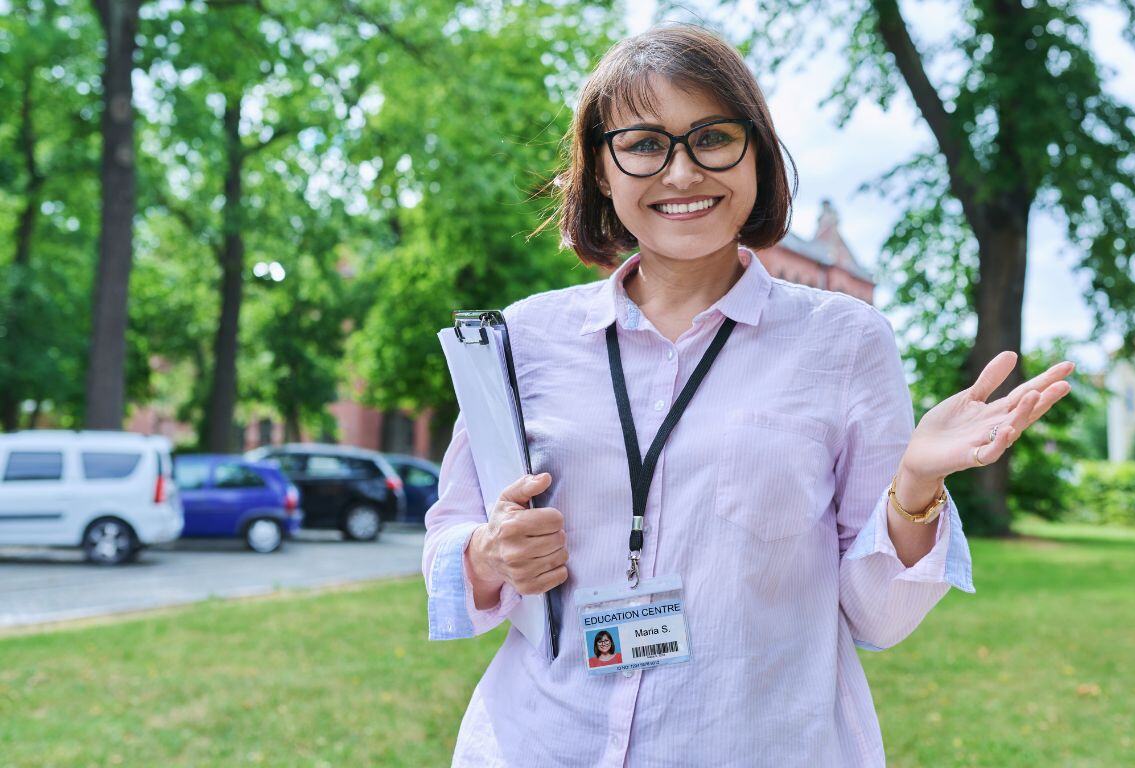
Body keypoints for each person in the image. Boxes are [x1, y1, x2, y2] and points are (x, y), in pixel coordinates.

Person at [422, 23, 1074, 767]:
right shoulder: (524, 338)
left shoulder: (846, 343)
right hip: (541, 742)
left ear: (758, 154)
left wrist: (917, 485)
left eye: (712, 138)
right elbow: (450, 544)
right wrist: (485, 554)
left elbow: (878, 619)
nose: (680, 173)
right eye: (642, 144)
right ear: (601, 170)